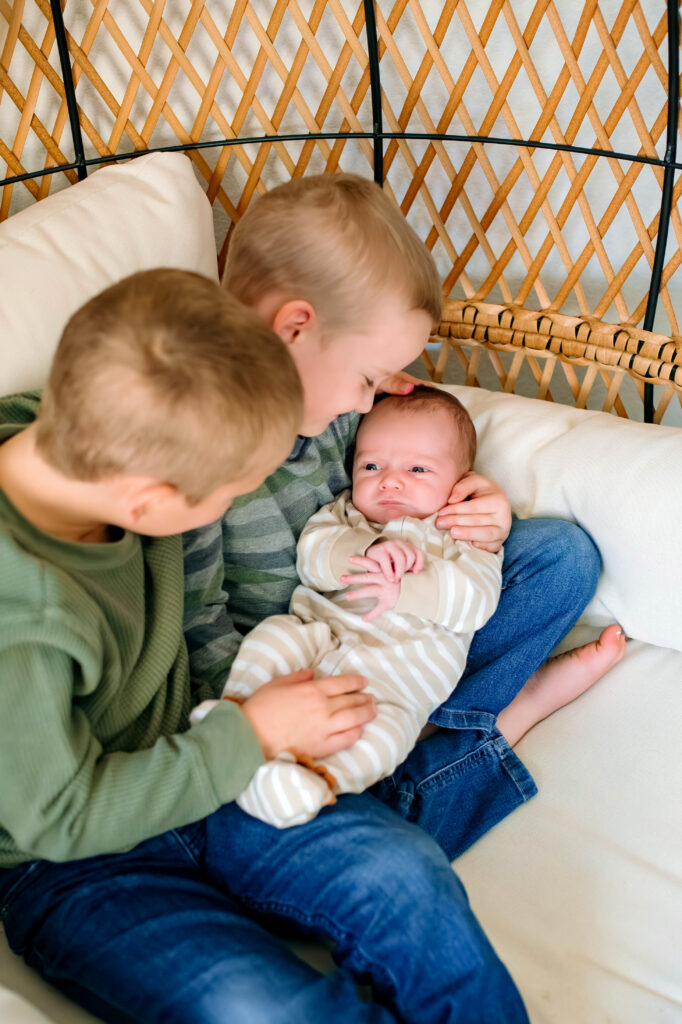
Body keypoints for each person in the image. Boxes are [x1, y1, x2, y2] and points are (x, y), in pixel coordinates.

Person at [0, 268, 533, 1023]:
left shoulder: (79, 427)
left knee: (406, 880)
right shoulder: (23, 620)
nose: (233, 505)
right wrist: (251, 733)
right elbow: (58, 819)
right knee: (271, 1010)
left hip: (212, 768)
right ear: (149, 504)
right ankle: (433, 781)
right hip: (80, 863)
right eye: (228, 493)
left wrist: (385, 402)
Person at [184, 171, 625, 859]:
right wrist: (269, 721)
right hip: (294, 662)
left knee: (560, 556)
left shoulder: (328, 403)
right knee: (321, 829)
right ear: (295, 328)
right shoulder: (200, 458)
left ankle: (435, 730)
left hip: (409, 638)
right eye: (368, 379)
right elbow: (198, 627)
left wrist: (469, 501)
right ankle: (500, 721)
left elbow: (422, 439)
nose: (369, 405)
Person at [193, 387, 508, 827]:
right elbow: (313, 554)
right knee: (276, 635)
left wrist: (406, 591)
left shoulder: (466, 537)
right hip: (317, 640)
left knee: (387, 737)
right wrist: (366, 548)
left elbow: (476, 603)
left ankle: (314, 781)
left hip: (390, 684)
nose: (390, 480)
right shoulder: (346, 516)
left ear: (461, 482)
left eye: (418, 469)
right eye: (371, 465)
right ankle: (233, 716)